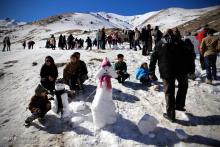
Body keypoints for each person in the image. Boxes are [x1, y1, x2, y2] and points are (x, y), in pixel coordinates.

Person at [149, 29, 190, 122]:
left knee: (169, 92)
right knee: (183, 85)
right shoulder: (180, 42)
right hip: (181, 70)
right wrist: (190, 69)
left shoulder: (160, 43)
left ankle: (171, 115)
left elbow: (153, 57)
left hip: (166, 71)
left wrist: (151, 71)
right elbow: (187, 55)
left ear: (164, 35)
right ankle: (179, 105)